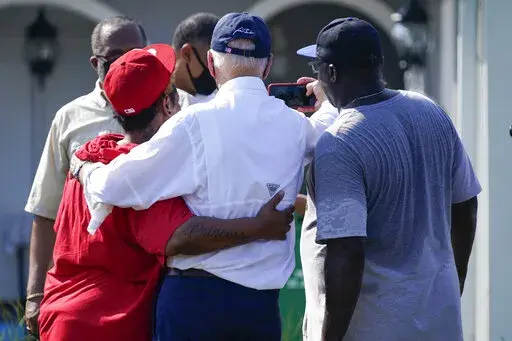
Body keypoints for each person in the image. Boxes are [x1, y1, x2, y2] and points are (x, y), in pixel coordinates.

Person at [72, 12, 338, 340]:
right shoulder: (297, 127)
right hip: (260, 309)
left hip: (195, 302)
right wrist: (326, 99)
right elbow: (328, 128)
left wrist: (85, 168)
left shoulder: (192, 124)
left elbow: (114, 186)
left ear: (211, 64)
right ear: (267, 65)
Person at [38, 44, 294, 341]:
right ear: (169, 104)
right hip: (111, 326)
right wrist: (257, 227)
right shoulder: (150, 177)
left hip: (61, 317)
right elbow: (182, 237)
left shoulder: (90, 153)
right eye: (173, 91)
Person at [297, 17, 481, 341]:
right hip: (441, 325)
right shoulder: (430, 111)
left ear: (331, 74)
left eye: (318, 69)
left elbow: (347, 252)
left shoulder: (340, 143)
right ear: (379, 63)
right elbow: (466, 205)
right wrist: (454, 283)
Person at [23, 15, 147, 337]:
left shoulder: (172, 109)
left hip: (148, 284)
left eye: (136, 56)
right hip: (81, 291)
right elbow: (45, 210)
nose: (127, 66)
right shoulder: (70, 117)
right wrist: (35, 296)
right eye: (115, 58)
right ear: (95, 63)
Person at [172, 12, 219, 108]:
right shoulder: (154, 100)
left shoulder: (214, 103)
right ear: (187, 54)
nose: (215, 72)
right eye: (211, 61)